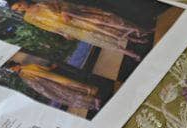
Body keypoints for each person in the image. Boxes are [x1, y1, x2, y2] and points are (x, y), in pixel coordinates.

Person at [10, 0, 151, 60]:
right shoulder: (28, 18)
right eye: (17, 10)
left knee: (108, 26)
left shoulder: (40, 2)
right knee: (99, 39)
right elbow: (46, 27)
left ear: (22, 0)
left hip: (76, 17)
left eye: (19, 5)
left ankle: (137, 36)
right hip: (69, 28)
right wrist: (62, 33)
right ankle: (131, 54)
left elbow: (61, 3)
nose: (21, 9)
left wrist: (65, 11)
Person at [10, 63, 101, 110]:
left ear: (16, 66)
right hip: (52, 83)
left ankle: (94, 100)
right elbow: (45, 71)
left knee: (71, 93)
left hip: (51, 83)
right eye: (12, 70)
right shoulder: (28, 69)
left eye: (13, 68)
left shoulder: (25, 73)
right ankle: (93, 100)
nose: (14, 70)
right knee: (71, 91)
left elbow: (38, 82)